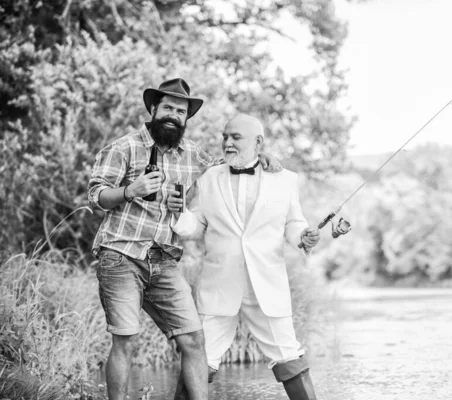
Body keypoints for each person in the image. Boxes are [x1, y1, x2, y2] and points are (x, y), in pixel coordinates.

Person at [88, 80, 279, 400]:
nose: (174, 115)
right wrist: (129, 191)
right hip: (120, 254)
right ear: (153, 109)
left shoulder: (191, 154)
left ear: (186, 118)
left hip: (164, 261)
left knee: (193, 340)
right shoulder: (124, 147)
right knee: (126, 340)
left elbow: (229, 164)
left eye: (180, 111)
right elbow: (96, 196)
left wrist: (261, 155)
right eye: (168, 108)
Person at [169, 114, 321, 400]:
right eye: (225, 136)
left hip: (267, 284)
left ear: (258, 142)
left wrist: (303, 237)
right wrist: (179, 214)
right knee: (200, 358)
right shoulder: (208, 179)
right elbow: (194, 227)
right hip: (220, 283)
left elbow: (293, 223)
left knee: (289, 355)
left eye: (236, 137)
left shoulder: (286, 180)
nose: (227, 143)